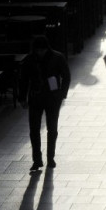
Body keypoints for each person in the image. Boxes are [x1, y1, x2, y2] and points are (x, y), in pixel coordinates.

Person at [19, 36, 71, 172]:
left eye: (42, 50)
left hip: (52, 98)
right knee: (34, 130)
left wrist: (62, 94)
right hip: (37, 97)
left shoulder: (56, 58)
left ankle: (50, 158)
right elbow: (23, 79)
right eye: (38, 50)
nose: (40, 53)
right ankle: (37, 160)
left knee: (51, 129)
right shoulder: (31, 60)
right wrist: (22, 98)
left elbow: (66, 76)